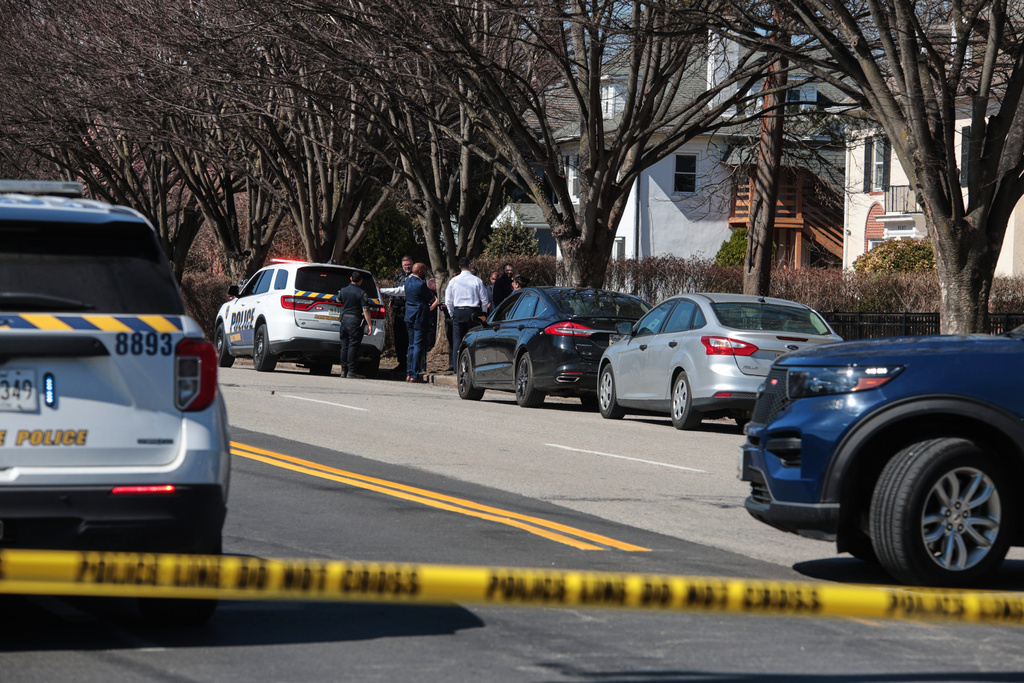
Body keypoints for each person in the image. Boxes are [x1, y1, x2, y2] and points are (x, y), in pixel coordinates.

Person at [445, 256, 491, 373]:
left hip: (459, 311)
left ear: (460, 267)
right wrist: (483, 314)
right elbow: (484, 300)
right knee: (472, 340)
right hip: (473, 312)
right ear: (470, 266)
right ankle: (472, 367)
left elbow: (448, 301)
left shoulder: (453, 281)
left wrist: (452, 314)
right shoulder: (477, 280)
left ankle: (457, 368)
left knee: (457, 340)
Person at [380, 256, 414, 378]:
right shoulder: (399, 277)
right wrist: (391, 300)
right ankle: (402, 363)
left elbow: (401, 291)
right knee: (399, 339)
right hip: (398, 311)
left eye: (409, 265)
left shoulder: (414, 277)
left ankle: (411, 365)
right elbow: (396, 289)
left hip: (408, 311)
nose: (407, 267)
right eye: (405, 265)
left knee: (408, 338)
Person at [336, 271, 373, 378]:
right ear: (360, 281)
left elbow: (338, 300)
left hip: (344, 321)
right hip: (355, 322)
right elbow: (365, 309)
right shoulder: (362, 293)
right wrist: (369, 324)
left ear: (350, 278)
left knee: (344, 346)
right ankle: (351, 371)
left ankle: (343, 370)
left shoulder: (343, 290)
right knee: (353, 346)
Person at [404, 262, 437, 383]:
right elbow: (431, 298)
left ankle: (408, 373)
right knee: (418, 346)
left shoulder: (407, 282)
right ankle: (414, 374)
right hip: (419, 317)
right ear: (420, 272)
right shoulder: (421, 284)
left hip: (409, 316)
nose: (426, 273)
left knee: (411, 345)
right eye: (424, 271)